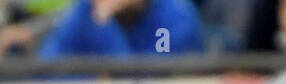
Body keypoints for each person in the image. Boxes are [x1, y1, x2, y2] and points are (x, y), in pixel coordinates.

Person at [36, 0, 204, 57]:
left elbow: (145, 82)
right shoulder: (88, 8)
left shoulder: (176, 16)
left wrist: (103, 24)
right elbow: (47, 65)